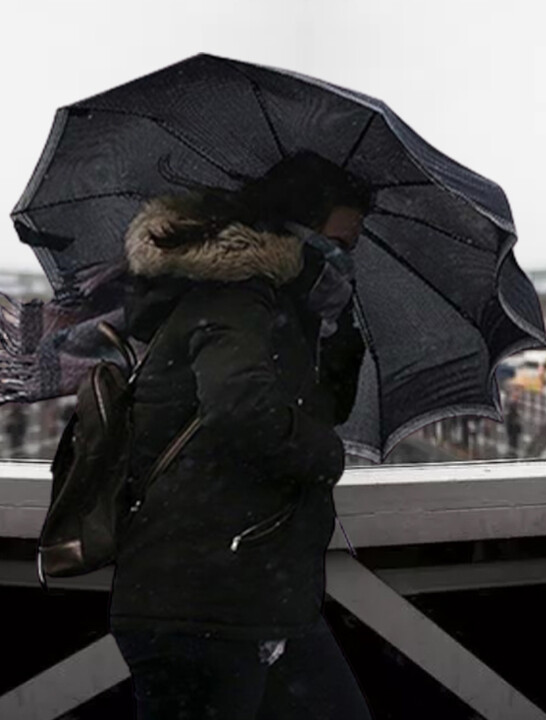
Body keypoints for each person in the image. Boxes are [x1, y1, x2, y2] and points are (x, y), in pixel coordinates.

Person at [109, 152, 372, 719]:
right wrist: (328, 456)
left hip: (247, 594)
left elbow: (315, 406)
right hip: (210, 602)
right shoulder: (236, 300)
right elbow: (241, 412)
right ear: (295, 232)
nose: (345, 259)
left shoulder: (276, 309)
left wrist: (335, 328)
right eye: (339, 243)